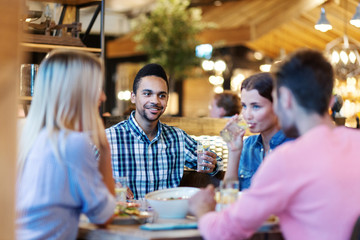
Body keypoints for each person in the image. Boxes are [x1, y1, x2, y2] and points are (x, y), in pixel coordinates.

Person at [189, 49, 360, 240]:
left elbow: (224, 232)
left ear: (284, 99)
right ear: (331, 100)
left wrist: (202, 210)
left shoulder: (287, 159)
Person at [16, 50, 116, 240]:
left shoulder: (23, 134)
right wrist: (105, 150)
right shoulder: (72, 144)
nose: (102, 97)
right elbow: (104, 215)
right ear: (77, 92)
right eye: (96, 87)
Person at [106, 63, 222, 199]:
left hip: (168, 217)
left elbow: (216, 163)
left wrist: (212, 164)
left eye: (161, 95)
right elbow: (78, 174)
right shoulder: (108, 138)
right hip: (128, 217)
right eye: (147, 94)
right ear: (133, 97)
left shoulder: (177, 138)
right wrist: (107, 184)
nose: (155, 101)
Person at [224, 72, 292, 190]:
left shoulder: (295, 146)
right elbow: (228, 195)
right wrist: (234, 152)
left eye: (256, 106)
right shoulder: (247, 145)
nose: (247, 115)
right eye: (244, 106)